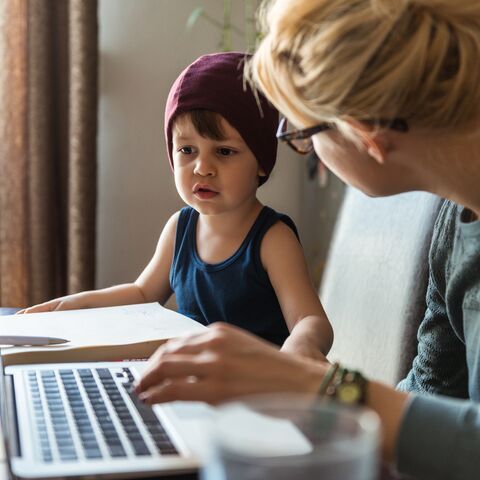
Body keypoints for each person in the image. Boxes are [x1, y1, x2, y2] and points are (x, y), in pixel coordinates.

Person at [134, 1, 480, 479]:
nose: (307, 148)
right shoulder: (457, 219)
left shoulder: (271, 236)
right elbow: (432, 391)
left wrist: (318, 386)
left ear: (366, 131)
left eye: (302, 132)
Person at [18, 52, 333, 360]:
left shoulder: (272, 239)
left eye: (223, 152)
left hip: (256, 391)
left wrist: (301, 345)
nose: (201, 167)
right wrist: (71, 306)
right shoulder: (180, 228)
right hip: (193, 386)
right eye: (187, 150)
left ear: (261, 162)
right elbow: (142, 294)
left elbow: (311, 322)